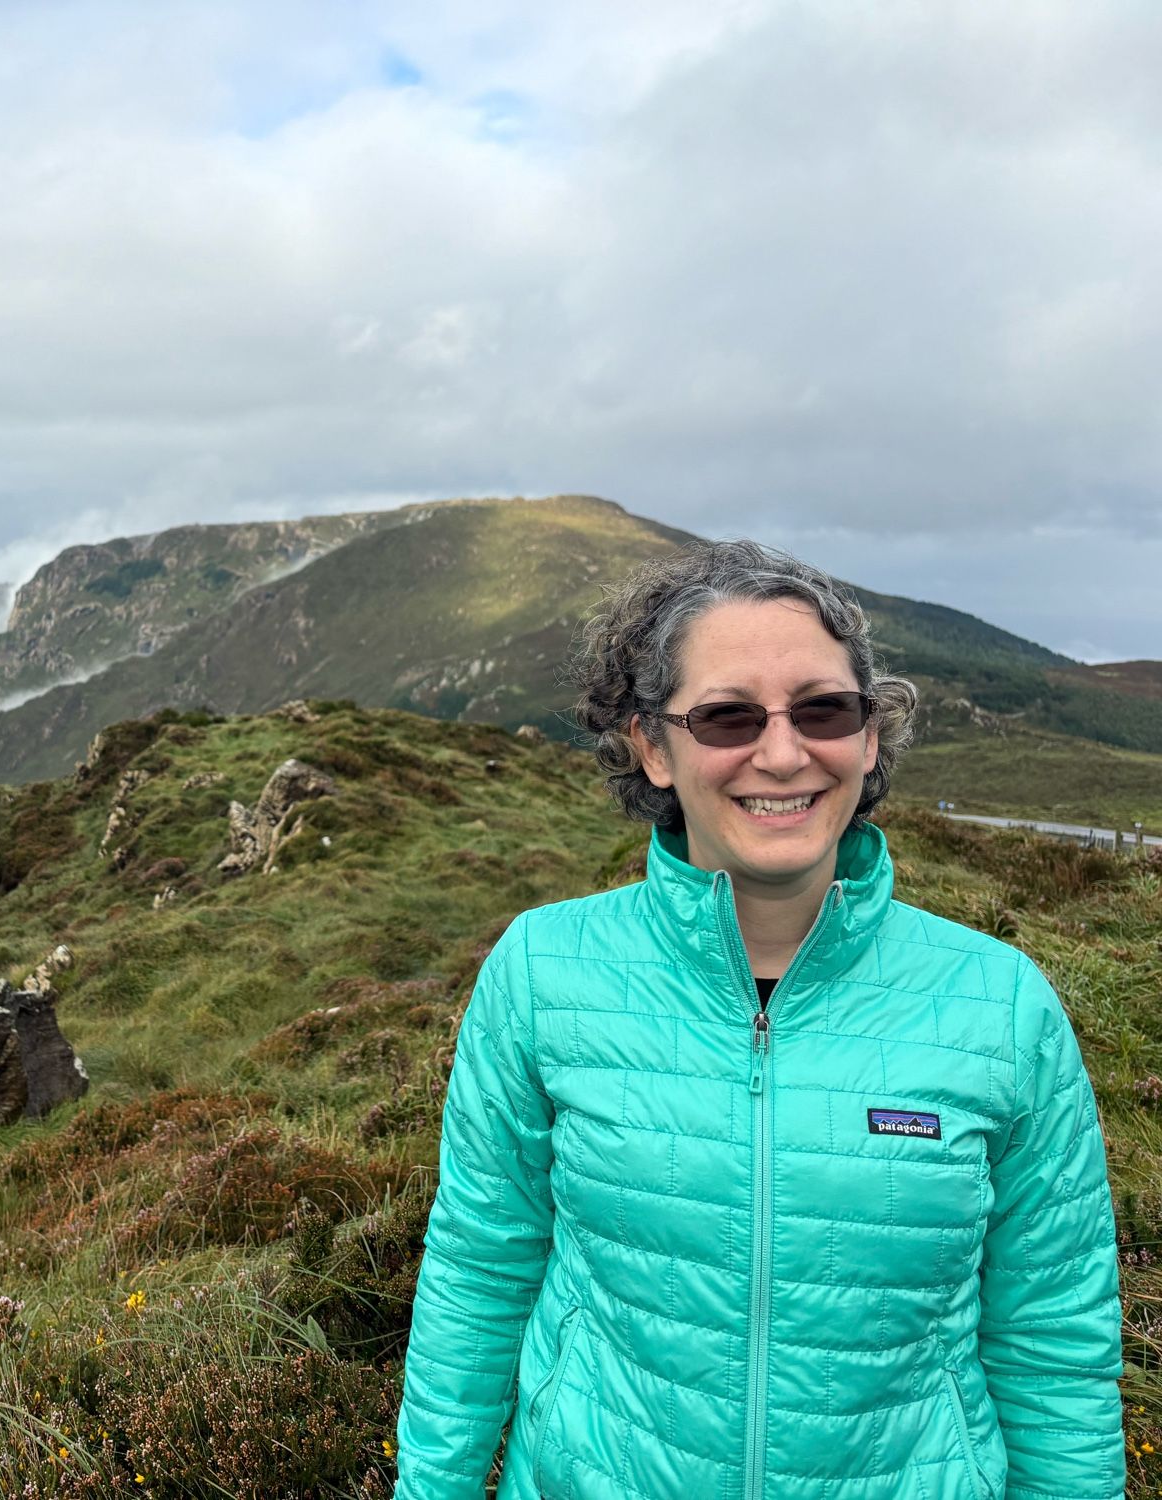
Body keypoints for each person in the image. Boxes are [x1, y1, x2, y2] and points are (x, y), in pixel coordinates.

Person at [392, 539, 1123, 1499]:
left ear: (868, 738)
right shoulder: (540, 972)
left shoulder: (1002, 1005)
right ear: (652, 746)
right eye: (728, 716)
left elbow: (1052, 1340)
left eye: (823, 709)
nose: (782, 752)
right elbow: (479, 1276)